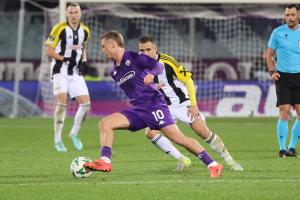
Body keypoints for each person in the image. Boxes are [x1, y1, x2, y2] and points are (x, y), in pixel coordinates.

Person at [84, 30, 223, 178]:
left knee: (178, 138)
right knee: (105, 124)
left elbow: (159, 67)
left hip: (154, 105)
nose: (102, 50)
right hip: (138, 109)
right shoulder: (114, 71)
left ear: (113, 45)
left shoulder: (136, 57)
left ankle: (213, 164)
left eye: (103, 46)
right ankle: (105, 161)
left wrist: (151, 74)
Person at [138, 36, 243, 171]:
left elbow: (188, 80)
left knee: (203, 131)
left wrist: (193, 104)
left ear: (155, 49)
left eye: (148, 49)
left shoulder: (167, 62)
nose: (145, 53)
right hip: (163, 107)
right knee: (150, 133)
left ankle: (229, 160)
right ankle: (181, 159)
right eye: (142, 50)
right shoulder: (138, 66)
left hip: (182, 103)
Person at [45, 2, 90, 152]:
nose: (73, 15)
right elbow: (49, 50)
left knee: (86, 104)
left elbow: (83, 47)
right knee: (62, 103)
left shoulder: (85, 30)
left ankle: (74, 134)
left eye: (76, 12)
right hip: (60, 70)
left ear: (80, 13)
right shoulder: (59, 29)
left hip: (75, 72)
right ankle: (57, 140)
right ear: (67, 14)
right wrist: (63, 58)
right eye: (70, 12)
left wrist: (84, 61)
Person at [267, 4, 300, 157]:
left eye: (292, 15)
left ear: (298, 16)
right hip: (283, 77)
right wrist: (272, 72)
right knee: (284, 112)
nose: (289, 18)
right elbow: (269, 54)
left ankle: (292, 147)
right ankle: (282, 149)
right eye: (287, 15)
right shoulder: (278, 33)